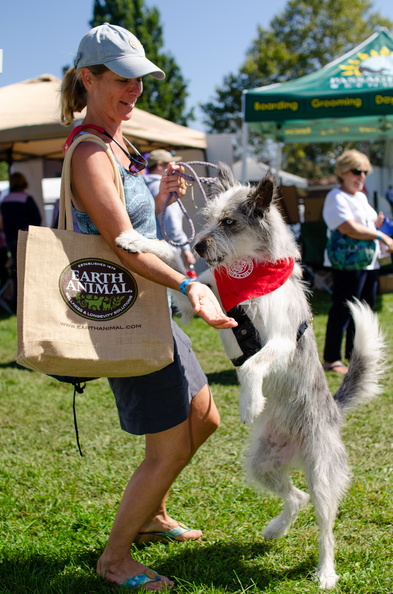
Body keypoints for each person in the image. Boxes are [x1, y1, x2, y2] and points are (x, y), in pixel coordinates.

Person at [60, 22, 236, 591]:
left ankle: (152, 518)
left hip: (150, 303)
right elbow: (120, 244)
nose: (135, 90)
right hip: (125, 312)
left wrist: (159, 202)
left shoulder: (118, 142)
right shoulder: (90, 150)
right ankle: (114, 560)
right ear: (88, 78)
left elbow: (140, 229)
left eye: (140, 79)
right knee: (168, 445)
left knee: (203, 416)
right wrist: (191, 287)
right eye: (122, 79)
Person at [322, 149, 393, 374]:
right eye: (356, 171)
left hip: (368, 262)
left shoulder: (360, 196)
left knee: (364, 311)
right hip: (347, 264)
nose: (361, 176)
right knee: (343, 310)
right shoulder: (336, 196)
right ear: (343, 172)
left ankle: (355, 357)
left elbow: (368, 224)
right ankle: (331, 359)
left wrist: (378, 224)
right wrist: (381, 235)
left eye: (364, 171)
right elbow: (348, 227)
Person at [143, 149, 196, 274]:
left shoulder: (142, 186)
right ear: (160, 165)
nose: (175, 169)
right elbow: (171, 226)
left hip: (149, 251)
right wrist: (185, 249)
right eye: (170, 164)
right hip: (167, 251)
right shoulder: (163, 188)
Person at [0, 172, 42, 309]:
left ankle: (15, 300)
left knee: (17, 271)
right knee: (28, 270)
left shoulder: (5, 200)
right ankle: (27, 302)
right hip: (27, 238)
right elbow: (37, 219)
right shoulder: (26, 198)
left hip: (11, 239)